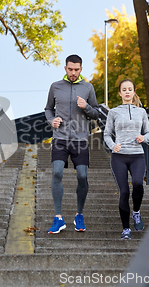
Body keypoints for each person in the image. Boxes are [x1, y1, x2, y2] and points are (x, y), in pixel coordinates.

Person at [44, 54, 100, 234]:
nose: (73, 73)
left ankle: (79, 215)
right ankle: (58, 218)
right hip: (60, 138)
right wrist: (51, 120)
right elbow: (48, 109)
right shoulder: (55, 86)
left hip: (81, 139)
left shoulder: (88, 88)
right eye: (70, 69)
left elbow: (97, 113)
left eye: (76, 70)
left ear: (81, 69)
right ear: (65, 68)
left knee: (82, 176)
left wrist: (87, 108)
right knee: (57, 172)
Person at [103, 78, 149, 240]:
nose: (127, 92)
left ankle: (136, 212)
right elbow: (106, 134)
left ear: (133, 92)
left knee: (138, 184)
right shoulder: (114, 112)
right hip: (119, 157)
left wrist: (143, 138)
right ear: (120, 93)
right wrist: (112, 145)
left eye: (130, 89)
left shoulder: (141, 112)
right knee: (124, 191)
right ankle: (126, 229)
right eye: (124, 89)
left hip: (137, 155)